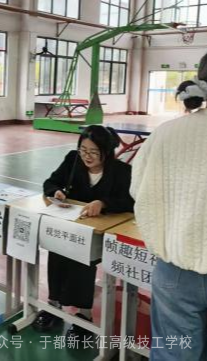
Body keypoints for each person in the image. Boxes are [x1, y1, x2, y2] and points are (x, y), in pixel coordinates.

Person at [131, 55, 207, 360]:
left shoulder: (166, 133)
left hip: (176, 267)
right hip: (178, 264)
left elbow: (138, 189)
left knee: (175, 353)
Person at [32, 125, 134, 340]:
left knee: (82, 260)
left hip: (101, 233)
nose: (87, 156)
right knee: (56, 250)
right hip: (71, 225)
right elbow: (50, 182)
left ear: (106, 151)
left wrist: (103, 203)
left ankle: (84, 315)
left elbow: (129, 202)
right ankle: (54, 305)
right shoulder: (73, 160)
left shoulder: (121, 171)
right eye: (83, 150)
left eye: (94, 152)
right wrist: (56, 191)